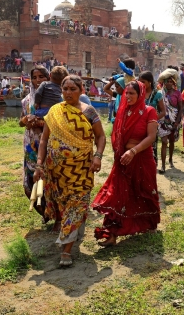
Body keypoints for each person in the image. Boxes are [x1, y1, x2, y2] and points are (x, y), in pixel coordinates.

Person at [35, 75, 106, 266]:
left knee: (77, 203)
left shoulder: (89, 112)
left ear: (81, 90)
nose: (68, 93)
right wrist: (40, 164)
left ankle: (66, 249)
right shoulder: (55, 111)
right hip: (56, 170)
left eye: (72, 89)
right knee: (64, 203)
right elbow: (44, 140)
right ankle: (73, 231)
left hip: (81, 169)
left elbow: (100, 137)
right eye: (65, 89)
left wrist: (98, 156)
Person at [92, 81, 160, 247]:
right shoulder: (122, 111)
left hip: (142, 159)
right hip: (123, 160)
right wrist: (122, 153)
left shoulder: (149, 111)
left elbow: (151, 137)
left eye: (132, 93)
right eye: (126, 93)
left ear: (140, 94)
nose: (128, 96)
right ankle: (112, 234)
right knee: (117, 195)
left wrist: (133, 151)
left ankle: (147, 223)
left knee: (143, 192)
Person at [20, 66, 50, 221]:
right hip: (31, 145)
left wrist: (39, 122)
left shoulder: (55, 99)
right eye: (35, 77)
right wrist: (25, 120)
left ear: (48, 78)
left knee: (48, 181)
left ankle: (54, 213)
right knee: (29, 183)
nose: (37, 80)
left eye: (41, 77)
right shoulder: (27, 100)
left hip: (49, 145)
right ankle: (44, 212)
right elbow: (21, 121)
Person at [157, 69, 184, 174]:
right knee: (164, 142)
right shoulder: (160, 93)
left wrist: (177, 121)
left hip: (174, 121)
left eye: (170, 81)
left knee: (171, 141)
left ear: (174, 83)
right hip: (163, 121)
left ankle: (170, 159)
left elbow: (181, 108)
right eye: (166, 81)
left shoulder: (177, 93)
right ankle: (163, 166)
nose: (168, 83)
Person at [138, 71, 165, 159]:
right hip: (138, 125)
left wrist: (152, 120)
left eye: (143, 82)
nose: (141, 84)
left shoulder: (157, 94)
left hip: (151, 126)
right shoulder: (138, 93)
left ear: (149, 82)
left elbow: (163, 111)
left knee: (151, 148)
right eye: (139, 82)